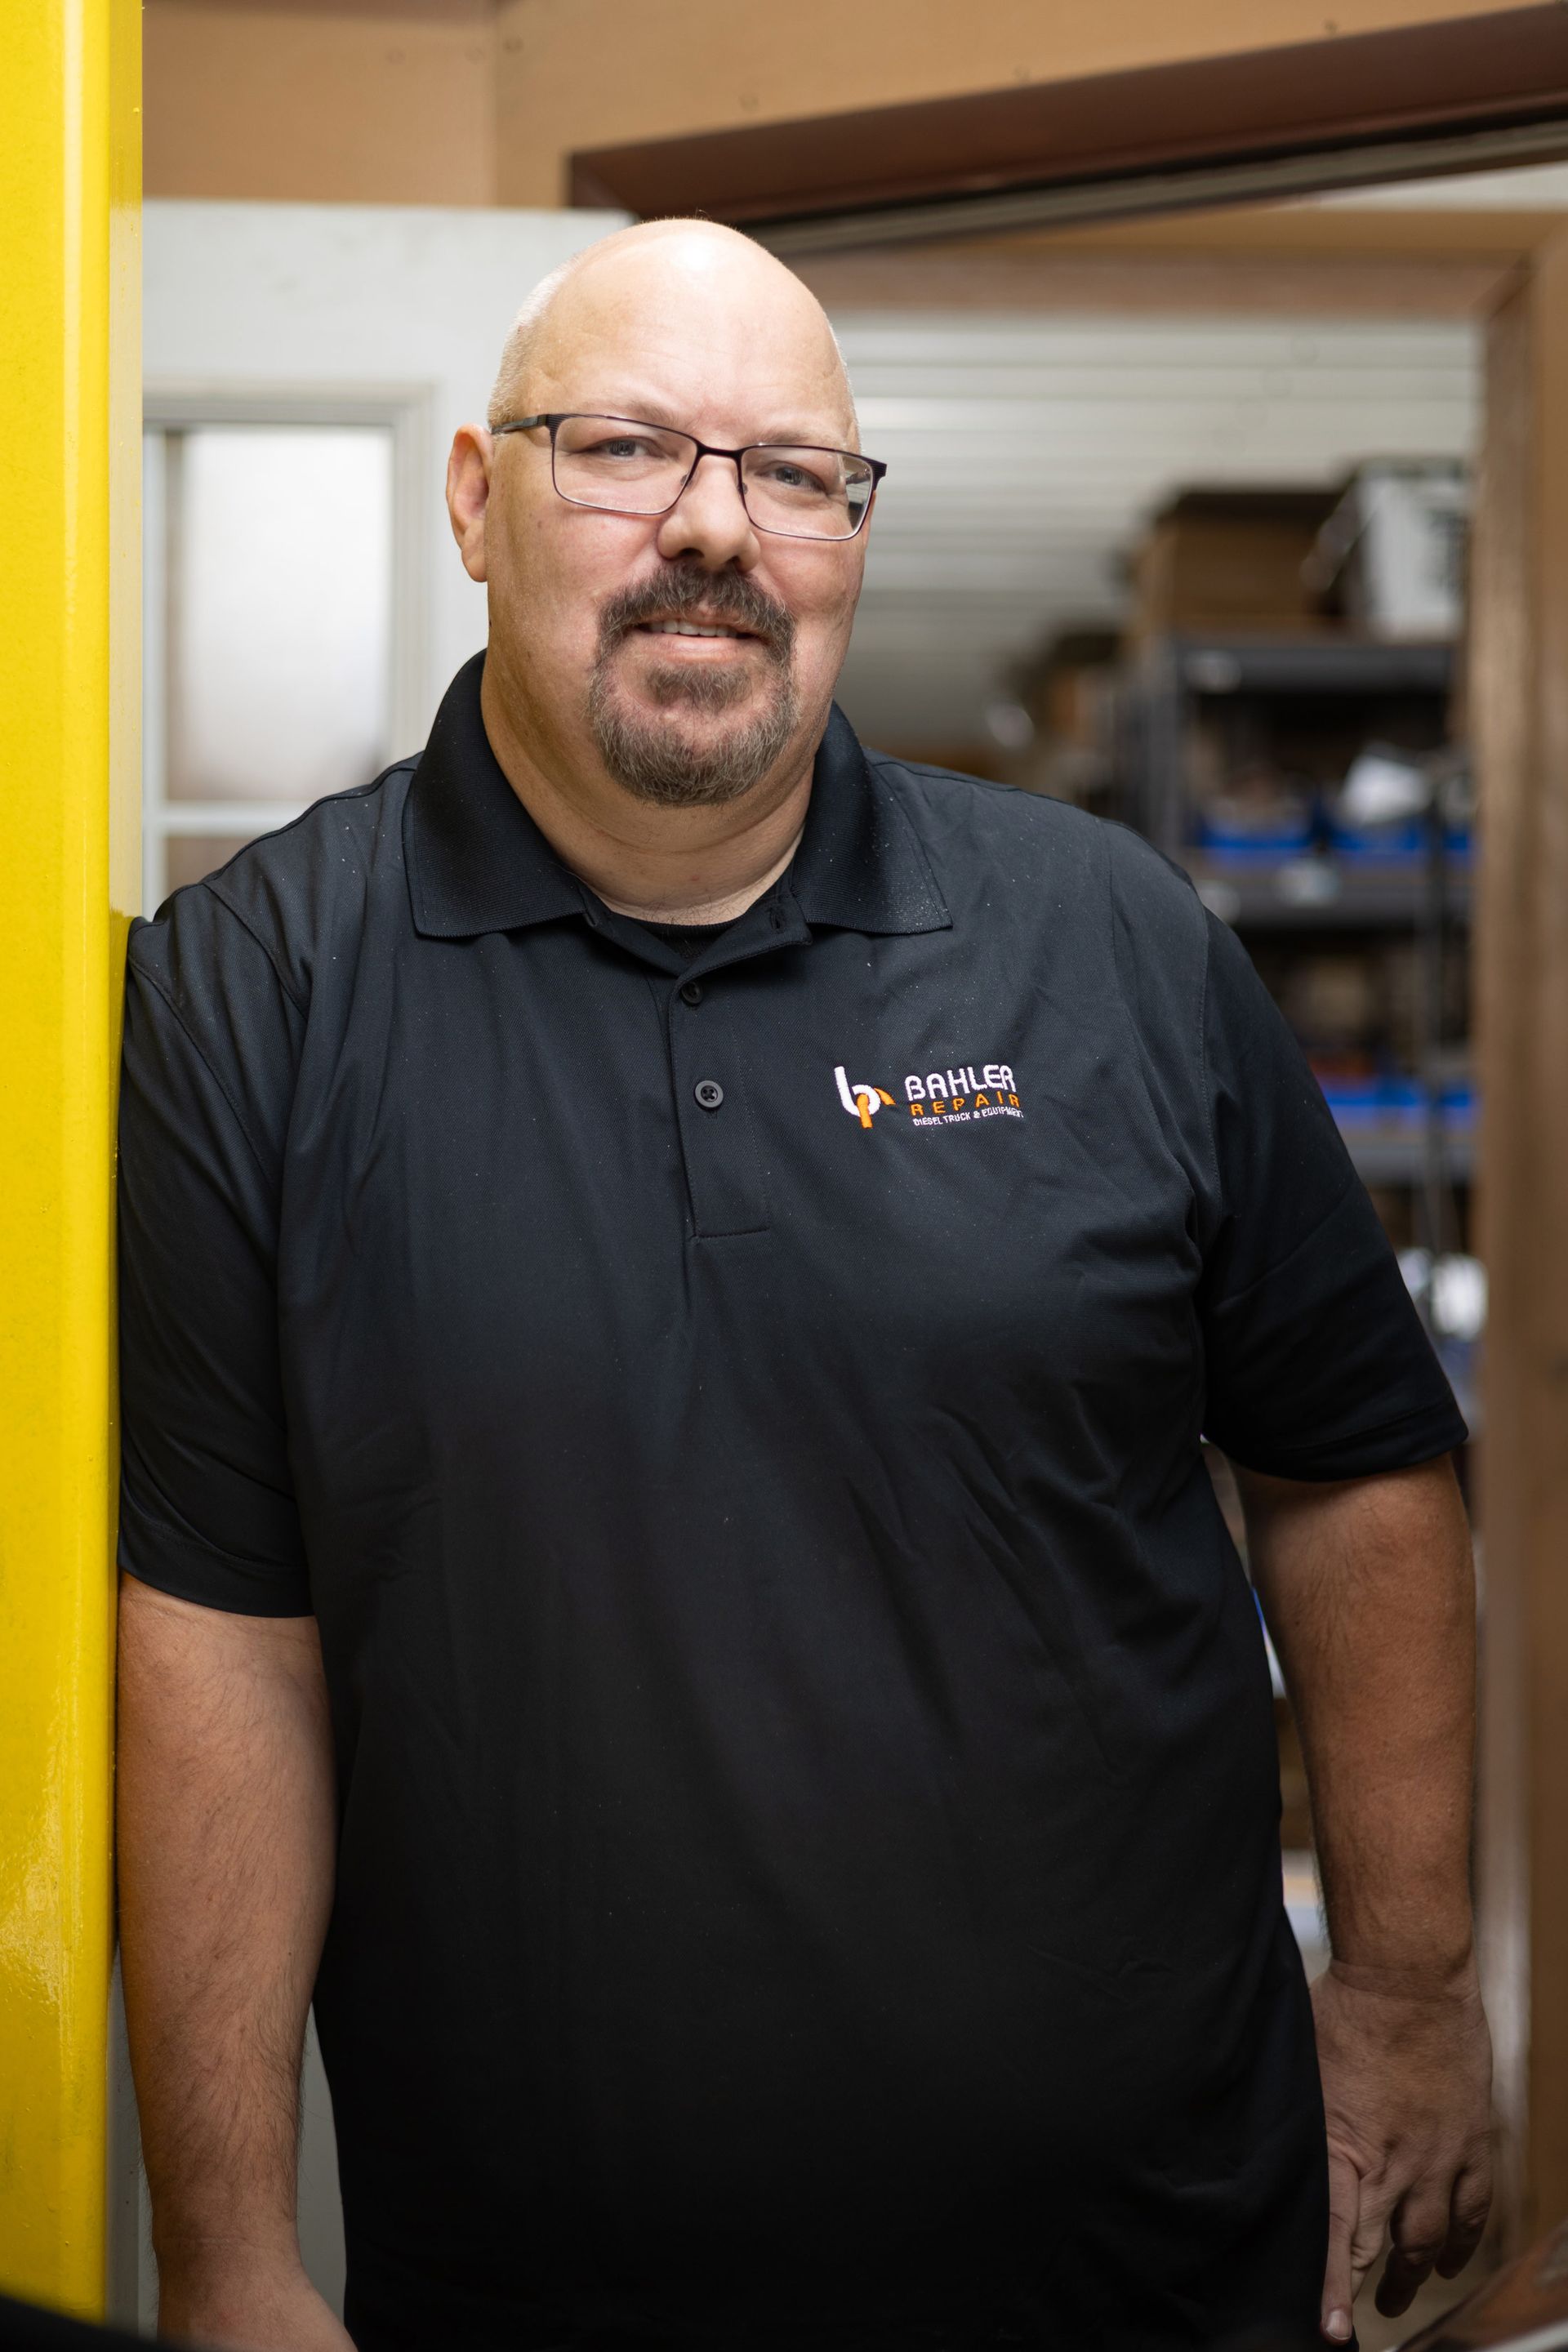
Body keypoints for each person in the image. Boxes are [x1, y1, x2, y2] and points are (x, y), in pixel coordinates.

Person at [117, 220, 1492, 2352]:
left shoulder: (1111, 944)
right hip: (544, 2294)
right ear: (478, 497)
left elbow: (1359, 1472)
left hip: (1154, 2267)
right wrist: (222, 2249)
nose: (712, 534)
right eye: (626, 451)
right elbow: (222, 1641)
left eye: (789, 475)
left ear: (852, 530)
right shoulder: (256, 999)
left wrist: (1406, 1997)